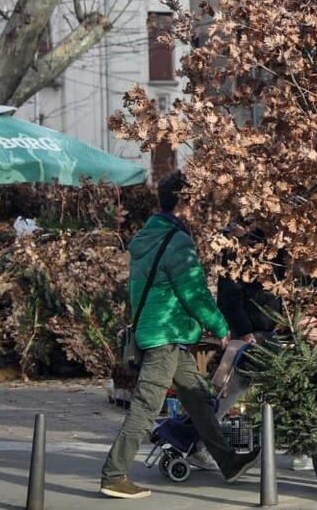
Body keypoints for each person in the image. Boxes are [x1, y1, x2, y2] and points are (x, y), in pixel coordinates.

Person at [100, 172, 259, 500]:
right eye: (196, 200)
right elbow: (195, 293)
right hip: (166, 336)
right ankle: (114, 475)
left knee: (199, 400)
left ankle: (228, 461)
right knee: (146, 406)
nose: (199, 206)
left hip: (162, 331)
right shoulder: (177, 241)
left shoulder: (150, 236)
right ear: (184, 201)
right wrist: (220, 327)